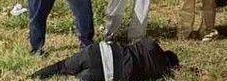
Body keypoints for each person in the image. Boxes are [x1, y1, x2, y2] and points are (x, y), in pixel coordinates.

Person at [31, 36, 180, 81]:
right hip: (108, 74)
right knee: (75, 76)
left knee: (62, 66)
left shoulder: (150, 44)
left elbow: (135, 43)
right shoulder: (159, 72)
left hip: (99, 52)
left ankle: (33, 76)